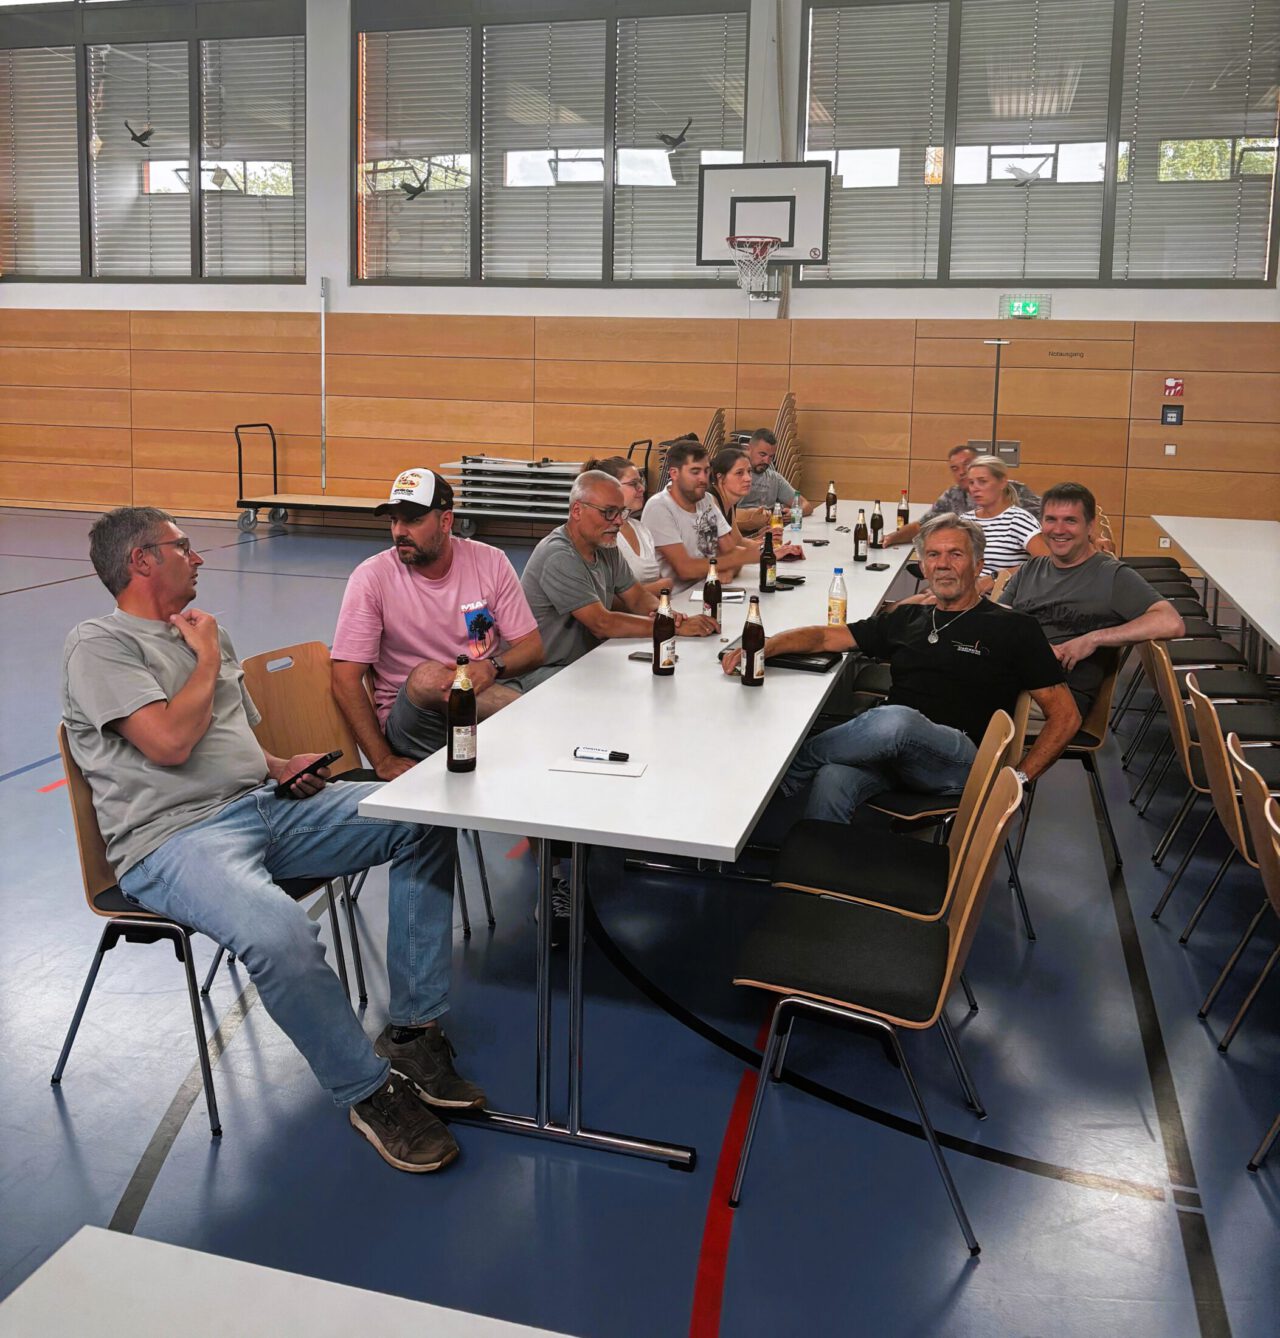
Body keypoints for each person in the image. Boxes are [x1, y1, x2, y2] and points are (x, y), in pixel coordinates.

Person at [62, 507, 483, 1174]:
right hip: (173, 840)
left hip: (263, 806)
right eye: (183, 547)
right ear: (141, 561)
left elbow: (234, 738)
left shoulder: (206, 632)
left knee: (422, 815)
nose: (198, 558)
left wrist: (281, 765)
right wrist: (204, 656)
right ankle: (368, 1092)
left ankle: (412, 1029)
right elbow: (168, 743)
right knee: (281, 936)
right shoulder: (100, 645)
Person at [722, 512, 1079, 824]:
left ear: (978, 564)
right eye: (933, 555)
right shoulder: (909, 618)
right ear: (923, 567)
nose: (942, 564)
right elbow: (826, 637)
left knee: (895, 720)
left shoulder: (1014, 627)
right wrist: (766, 645)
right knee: (834, 777)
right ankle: (821, 867)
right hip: (892, 756)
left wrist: (1018, 779)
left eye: (955, 554)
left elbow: (1066, 717)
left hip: (958, 760)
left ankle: (787, 771)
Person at [331, 469, 543, 778]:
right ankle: (538, 725)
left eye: (413, 520)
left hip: (483, 704)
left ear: (446, 521)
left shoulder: (491, 562)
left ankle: (535, 733)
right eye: (394, 520)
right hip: (414, 720)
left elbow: (533, 648)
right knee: (428, 676)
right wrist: (382, 759)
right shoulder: (371, 578)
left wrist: (491, 667)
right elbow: (345, 678)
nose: (399, 531)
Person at [511, 471, 717, 692]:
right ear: (577, 510)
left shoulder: (605, 546)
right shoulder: (558, 556)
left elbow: (637, 599)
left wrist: (667, 615)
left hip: (584, 660)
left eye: (621, 512)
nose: (619, 521)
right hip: (544, 670)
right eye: (609, 512)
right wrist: (671, 628)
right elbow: (602, 624)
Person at [1000, 482, 1185, 715]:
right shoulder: (1030, 569)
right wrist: (1033, 646)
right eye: (1051, 520)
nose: (1059, 529)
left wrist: (1093, 639)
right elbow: (995, 621)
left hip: (1052, 700)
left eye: (1070, 520)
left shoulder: (1111, 575)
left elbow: (1171, 622)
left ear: (1090, 526)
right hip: (1011, 680)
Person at [885, 443, 1041, 548]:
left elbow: (1046, 531)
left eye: (966, 464)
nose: (961, 472)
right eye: (955, 468)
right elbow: (923, 526)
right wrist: (891, 538)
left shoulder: (1018, 508)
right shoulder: (958, 503)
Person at [641, 438, 751, 585]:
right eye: (695, 472)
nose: (703, 478)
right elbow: (686, 570)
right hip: (677, 596)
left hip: (708, 587)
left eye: (706, 471)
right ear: (674, 473)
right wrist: (725, 566)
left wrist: (728, 569)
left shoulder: (706, 500)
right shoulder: (658, 507)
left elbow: (733, 555)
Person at [581, 455, 664, 595]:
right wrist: (660, 587)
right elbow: (608, 598)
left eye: (641, 482)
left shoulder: (641, 529)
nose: (642, 489)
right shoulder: (601, 535)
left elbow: (662, 583)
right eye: (633, 484)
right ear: (610, 488)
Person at [708, 446, 802, 563]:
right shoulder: (710, 502)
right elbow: (724, 553)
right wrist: (767, 552)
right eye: (739, 473)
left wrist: (769, 546)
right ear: (720, 478)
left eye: (749, 471)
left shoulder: (729, 502)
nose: (748, 478)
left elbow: (739, 541)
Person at [963, 454, 1049, 577]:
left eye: (982, 481)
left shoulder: (1018, 520)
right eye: (971, 482)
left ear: (1002, 482)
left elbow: (1047, 563)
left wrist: (997, 578)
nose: (974, 488)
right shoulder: (964, 520)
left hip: (1005, 589)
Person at [735, 428, 814, 532]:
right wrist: (754, 517)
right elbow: (723, 512)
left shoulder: (775, 478)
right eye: (762, 454)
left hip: (769, 532)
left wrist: (794, 512)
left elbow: (806, 505)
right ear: (749, 449)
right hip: (741, 531)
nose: (767, 461)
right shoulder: (735, 476)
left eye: (771, 456)